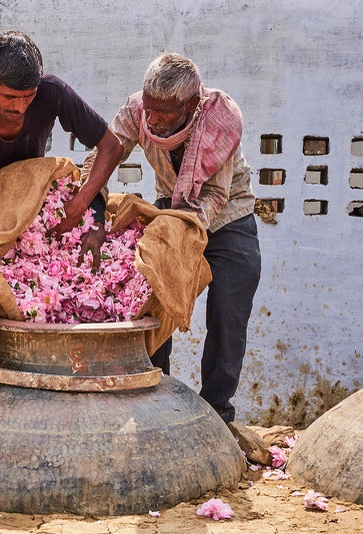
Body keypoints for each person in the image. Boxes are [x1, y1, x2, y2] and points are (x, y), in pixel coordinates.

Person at [83, 53, 261, 424]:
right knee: (155, 302)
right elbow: (103, 156)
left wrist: (184, 228)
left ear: (191, 105)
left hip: (229, 217)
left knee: (227, 314)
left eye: (163, 114)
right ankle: (154, 400)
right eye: (150, 110)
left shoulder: (220, 118)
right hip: (170, 208)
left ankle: (217, 414)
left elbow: (215, 196)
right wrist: (92, 212)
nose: (152, 120)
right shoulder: (137, 111)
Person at [0, 30, 123, 265]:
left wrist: (78, 205)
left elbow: (112, 147)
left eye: (29, 96)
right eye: (10, 97)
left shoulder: (52, 92)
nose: (21, 107)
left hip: (38, 198)